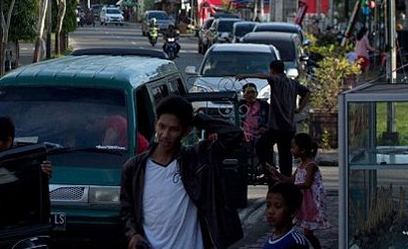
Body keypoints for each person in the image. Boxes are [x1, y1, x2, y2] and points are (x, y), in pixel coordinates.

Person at [120, 94, 243, 249]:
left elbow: (234, 134)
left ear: (186, 131)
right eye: (162, 126)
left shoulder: (197, 158)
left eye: (174, 129)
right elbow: (127, 209)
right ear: (155, 124)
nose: (165, 135)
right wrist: (133, 234)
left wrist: (197, 119)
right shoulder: (134, 168)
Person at [266, 134, 329, 249]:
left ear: (303, 150)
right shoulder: (301, 165)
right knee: (301, 229)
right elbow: (290, 180)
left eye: (293, 147)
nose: (291, 150)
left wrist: (292, 187)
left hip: (310, 203)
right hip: (302, 201)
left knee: (308, 233)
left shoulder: (311, 165)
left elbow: (307, 184)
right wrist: (276, 173)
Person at [257, 60, 310, 179]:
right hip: (289, 126)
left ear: (272, 70)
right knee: (285, 155)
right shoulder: (292, 83)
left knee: (262, 146)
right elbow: (306, 93)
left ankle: (270, 172)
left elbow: (265, 76)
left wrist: (245, 76)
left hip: (276, 125)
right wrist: (299, 108)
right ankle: (285, 180)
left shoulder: (276, 79)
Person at [262, 182, 309, 248]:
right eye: (268, 206)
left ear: (293, 211)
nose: (270, 211)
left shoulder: (295, 243)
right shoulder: (272, 238)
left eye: (278, 206)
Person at [241, 83, 269, 181]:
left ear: (257, 94)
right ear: (243, 94)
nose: (250, 95)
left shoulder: (264, 105)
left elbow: (270, 120)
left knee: (263, 144)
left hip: (259, 134)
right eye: (248, 92)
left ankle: (265, 171)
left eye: (253, 92)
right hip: (244, 134)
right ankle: (245, 171)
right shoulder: (240, 106)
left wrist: (265, 128)